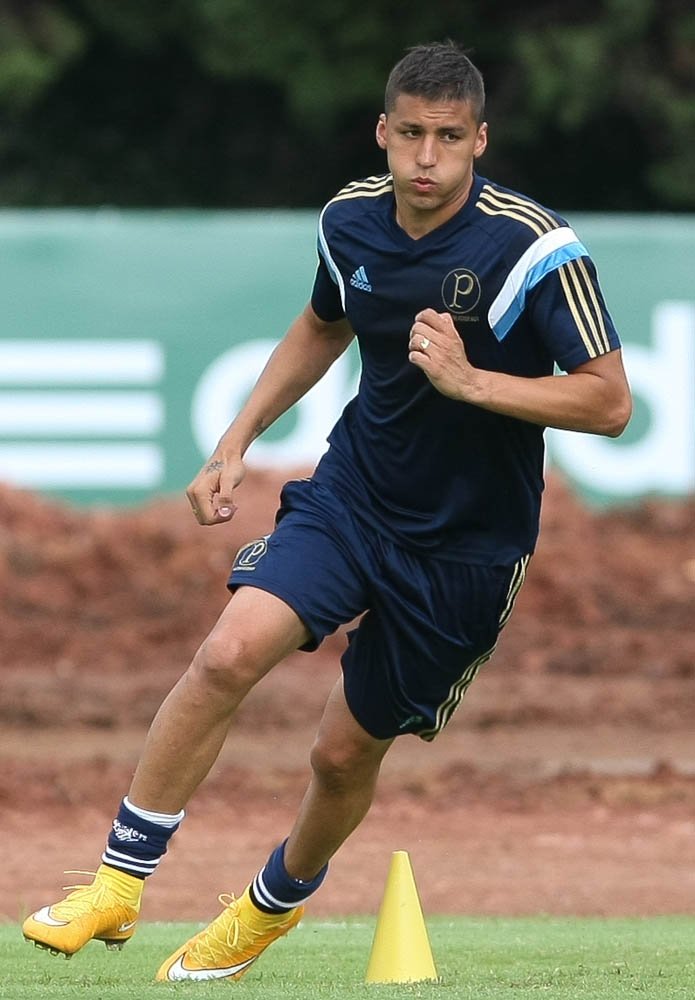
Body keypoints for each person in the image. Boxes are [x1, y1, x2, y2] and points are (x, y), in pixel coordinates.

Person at [22, 41, 632, 982]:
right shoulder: (349, 221)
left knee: (343, 755)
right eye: (411, 137)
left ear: (479, 140)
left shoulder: (535, 247)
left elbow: (608, 401)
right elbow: (321, 324)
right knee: (226, 651)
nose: (427, 160)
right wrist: (233, 442)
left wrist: (474, 383)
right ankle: (118, 881)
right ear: (382, 134)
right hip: (355, 496)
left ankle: (273, 904)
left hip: (468, 551)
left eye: (449, 139)